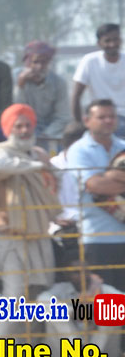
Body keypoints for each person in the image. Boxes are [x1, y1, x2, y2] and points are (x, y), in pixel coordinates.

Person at [0, 105, 60, 317]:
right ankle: (4, 339)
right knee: (14, 295)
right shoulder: (0, 151)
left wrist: (44, 165)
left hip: (39, 231)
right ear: (8, 129)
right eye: (18, 126)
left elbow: (58, 178)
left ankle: (36, 339)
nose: (24, 130)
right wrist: (36, 166)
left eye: (28, 125)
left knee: (42, 291)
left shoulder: (38, 153)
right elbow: (0, 167)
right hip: (11, 232)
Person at [66, 98, 125, 290]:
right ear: (87, 121)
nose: (108, 120)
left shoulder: (122, 146)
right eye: (102, 117)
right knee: (106, 298)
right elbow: (95, 186)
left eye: (112, 116)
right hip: (97, 238)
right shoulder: (79, 150)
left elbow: (100, 183)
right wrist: (109, 179)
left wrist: (108, 178)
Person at [72, 23, 125, 137]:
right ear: (99, 43)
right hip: (99, 116)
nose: (112, 44)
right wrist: (79, 124)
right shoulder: (89, 61)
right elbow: (76, 96)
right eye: (107, 41)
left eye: (115, 39)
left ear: (120, 40)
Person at [14, 39, 70, 143]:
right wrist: (21, 85)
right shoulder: (15, 77)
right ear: (27, 62)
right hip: (22, 131)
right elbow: (15, 111)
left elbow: (63, 117)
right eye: (35, 62)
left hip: (50, 134)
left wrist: (46, 135)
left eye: (43, 62)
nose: (39, 67)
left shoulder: (59, 83)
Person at [49, 122, 87, 269]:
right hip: (61, 224)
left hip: (89, 222)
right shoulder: (52, 166)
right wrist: (55, 218)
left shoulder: (92, 164)